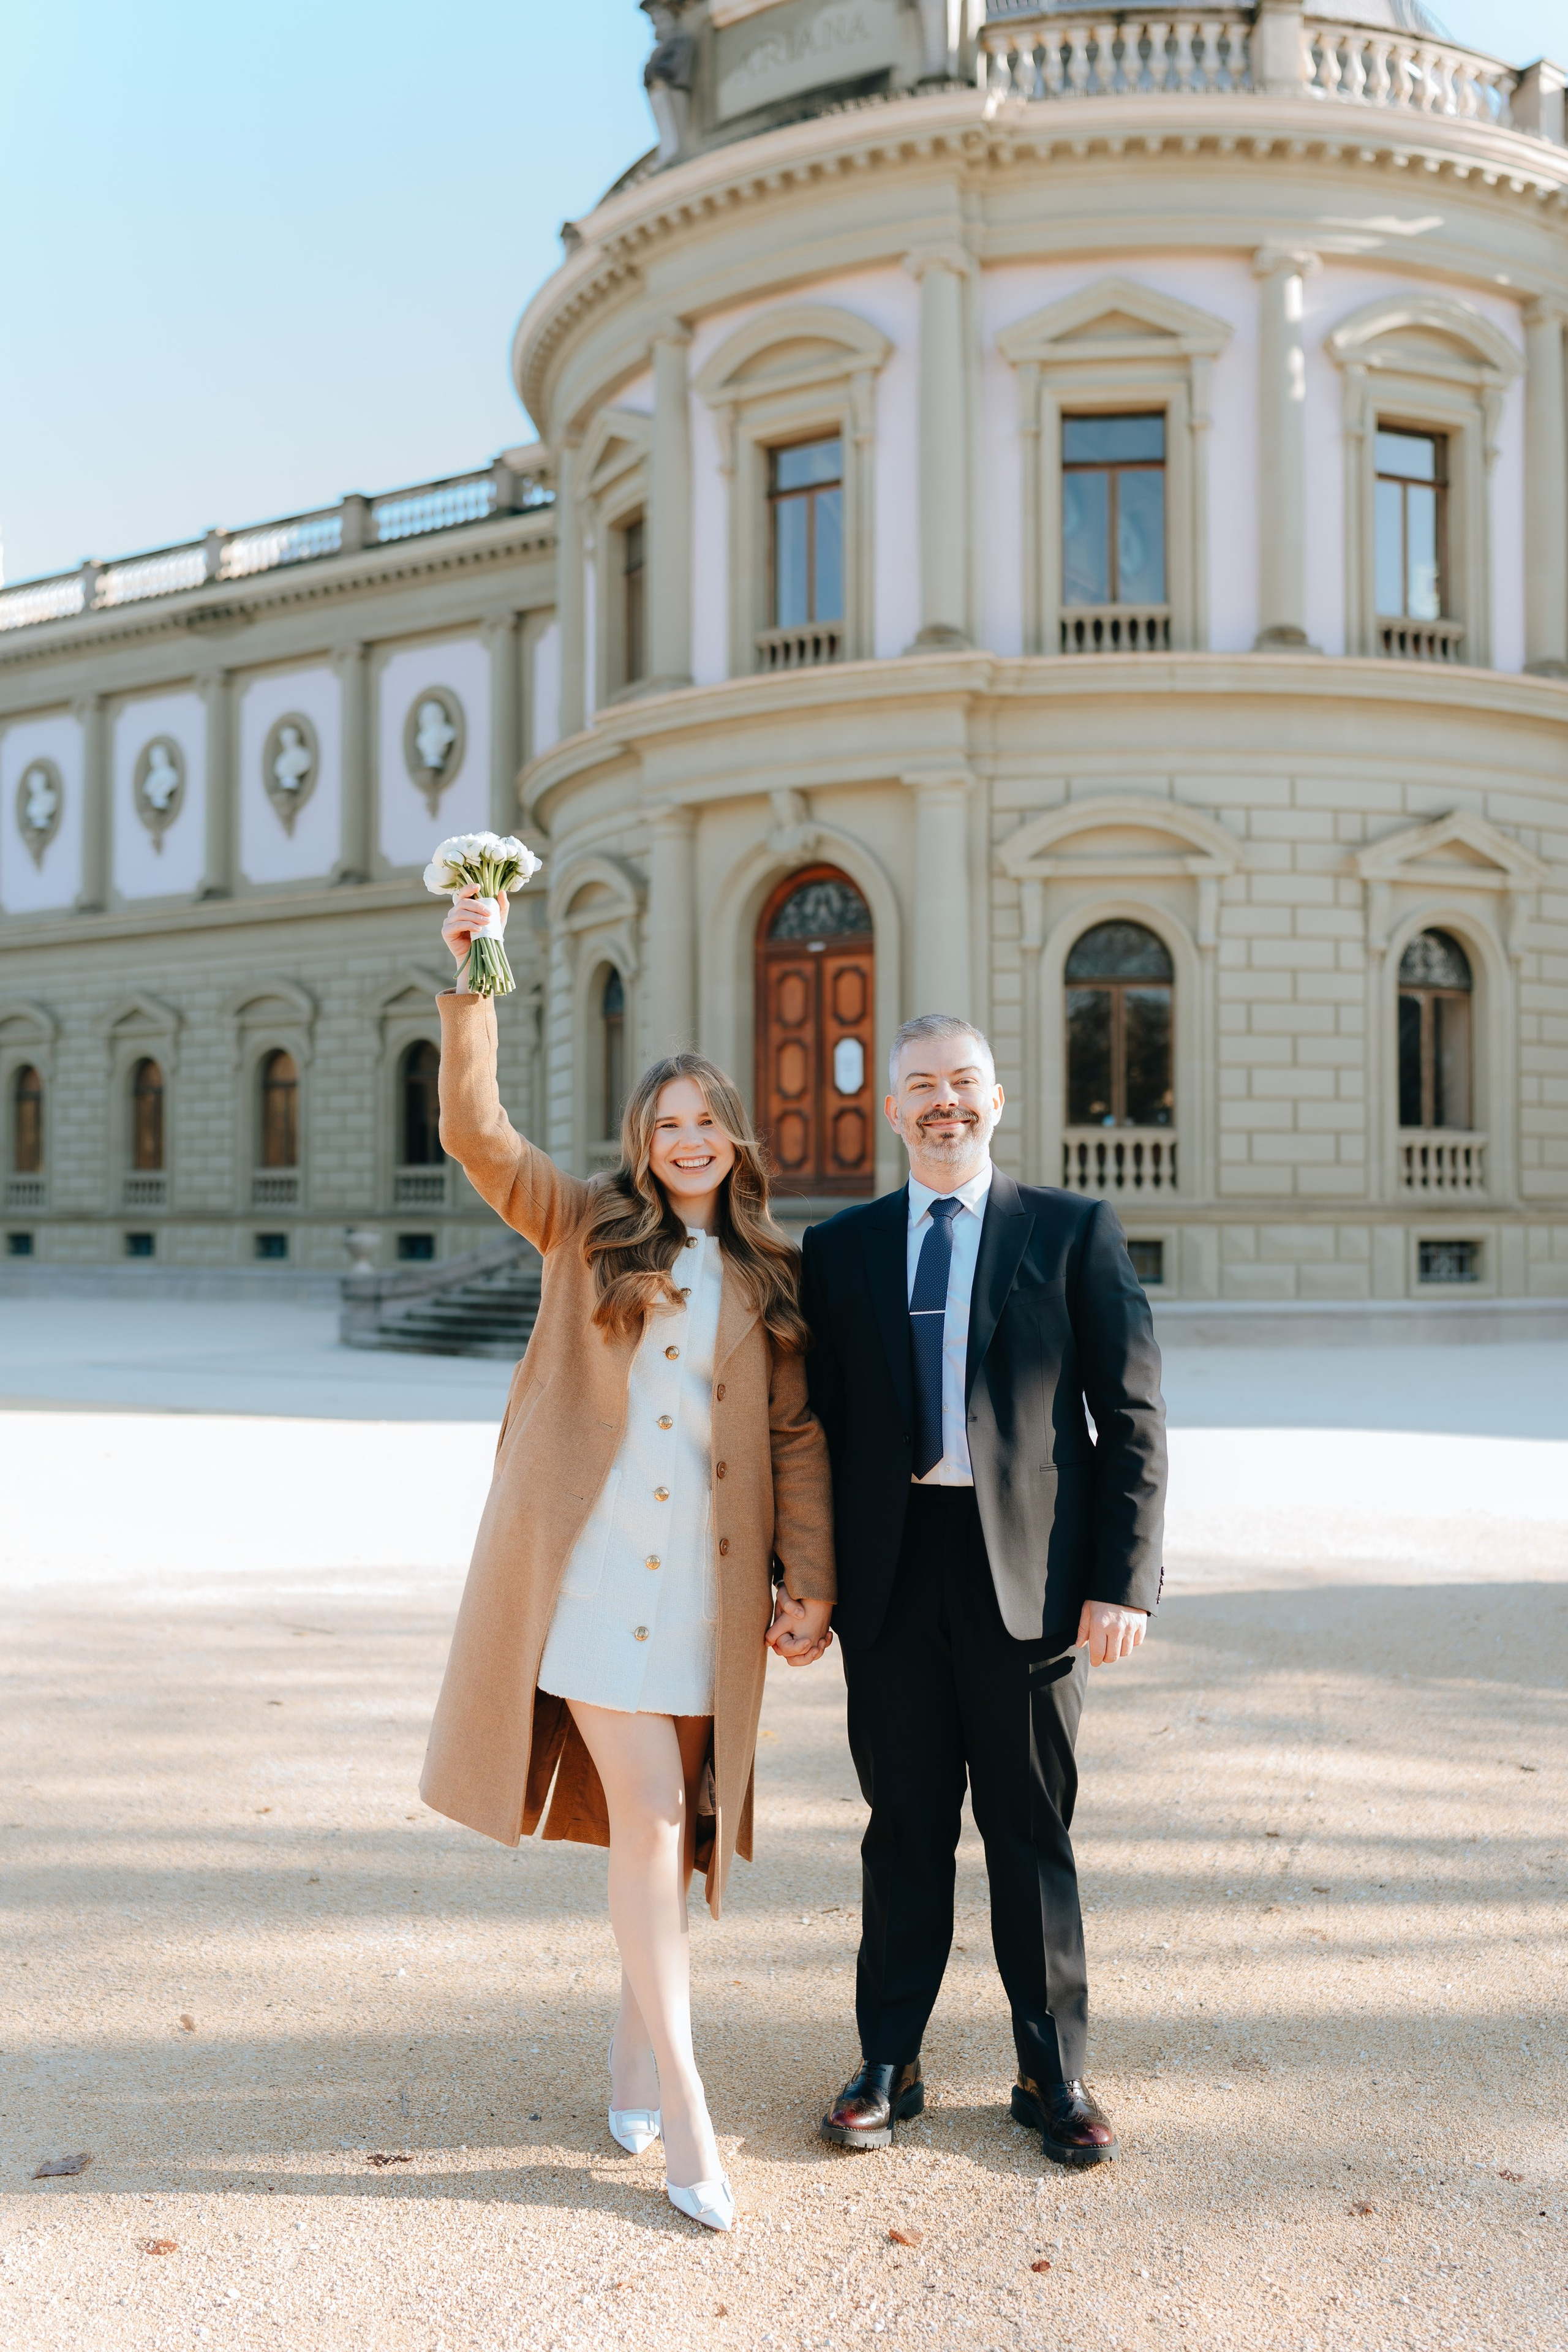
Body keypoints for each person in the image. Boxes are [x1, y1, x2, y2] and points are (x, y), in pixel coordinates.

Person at [421, 884, 835, 2232]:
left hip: (707, 1604)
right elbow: (476, 1134)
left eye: (707, 1121)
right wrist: (477, 973)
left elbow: (793, 1442)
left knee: (657, 1841)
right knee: (653, 1821)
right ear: (641, 1144)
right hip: (592, 1589)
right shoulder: (582, 1227)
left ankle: (627, 2057)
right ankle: (689, 2117)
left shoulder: (769, 1277)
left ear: (734, 1137)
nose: (690, 1141)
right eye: (669, 1124)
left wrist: (807, 1584)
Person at [800, 1012, 1166, 2167]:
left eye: (963, 1083)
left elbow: (1133, 1417)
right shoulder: (842, 1248)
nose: (944, 1102)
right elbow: (810, 1431)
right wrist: (801, 1580)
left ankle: (1052, 2071)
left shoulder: (1070, 1232)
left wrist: (1126, 1582)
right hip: (892, 1580)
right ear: (893, 1107)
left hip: (1036, 1584)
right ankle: (888, 2064)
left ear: (997, 1101)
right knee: (903, 1828)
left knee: (1029, 1829)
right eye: (922, 1086)